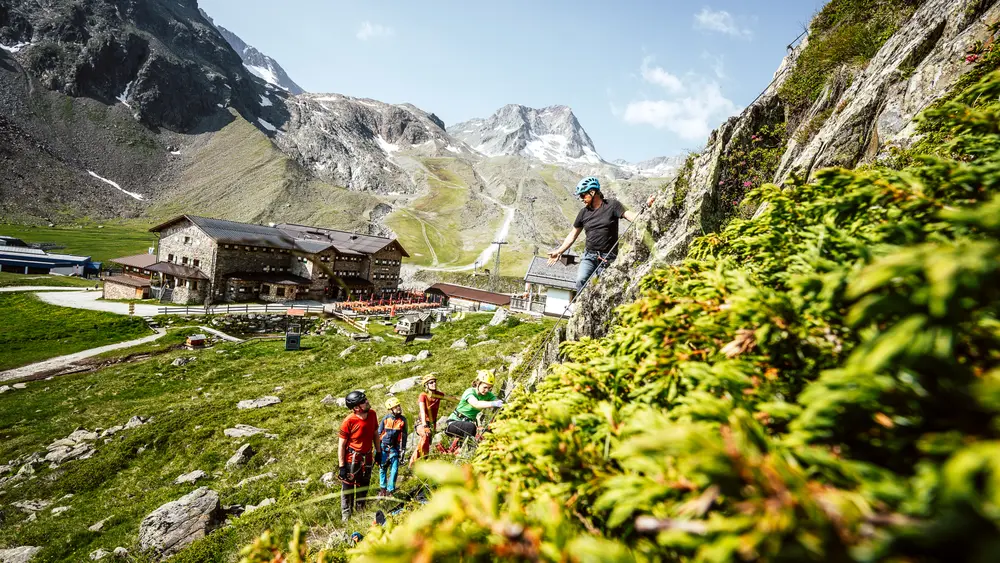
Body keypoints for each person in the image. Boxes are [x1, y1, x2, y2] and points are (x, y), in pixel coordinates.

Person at [548, 176, 655, 292]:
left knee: (603, 289)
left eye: (583, 195)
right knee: (580, 280)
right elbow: (572, 235)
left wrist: (647, 206)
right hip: (589, 256)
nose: (581, 198)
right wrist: (559, 251)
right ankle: (582, 308)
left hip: (608, 257)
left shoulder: (613, 205)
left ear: (593, 192)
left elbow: (633, 217)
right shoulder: (583, 213)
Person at [338, 390, 382, 522]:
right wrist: (342, 467)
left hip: (367, 458)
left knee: (364, 486)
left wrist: (378, 452)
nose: (367, 402)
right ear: (356, 407)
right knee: (348, 489)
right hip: (352, 459)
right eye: (363, 401)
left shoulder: (372, 414)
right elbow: (341, 445)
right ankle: (346, 517)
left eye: (366, 399)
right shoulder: (348, 421)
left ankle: (360, 513)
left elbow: (375, 434)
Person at [440, 370, 504, 454]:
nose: (487, 390)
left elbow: (497, 401)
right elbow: (476, 404)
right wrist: (493, 403)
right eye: (485, 387)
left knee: (486, 433)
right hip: (453, 423)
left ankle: (465, 450)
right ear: (478, 383)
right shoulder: (469, 392)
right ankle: (468, 452)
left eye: (489, 388)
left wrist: (502, 404)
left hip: (468, 425)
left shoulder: (488, 395)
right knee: (471, 427)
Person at [408, 373, 458, 468]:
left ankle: (422, 461)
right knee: (425, 437)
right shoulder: (423, 395)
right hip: (422, 422)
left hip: (433, 423)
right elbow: (422, 411)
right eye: (431, 383)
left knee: (427, 443)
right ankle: (413, 463)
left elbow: (451, 399)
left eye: (434, 382)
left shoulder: (438, 395)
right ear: (426, 385)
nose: (434, 384)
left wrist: (465, 401)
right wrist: (424, 425)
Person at [377, 396, 408, 497]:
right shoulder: (386, 419)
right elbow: (378, 433)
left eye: (398, 406)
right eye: (396, 407)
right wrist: (376, 449)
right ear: (391, 409)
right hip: (383, 446)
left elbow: (404, 435)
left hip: (394, 447)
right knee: (383, 468)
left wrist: (403, 449)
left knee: (394, 469)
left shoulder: (403, 420)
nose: (398, 408)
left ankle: (390, 490)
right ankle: (382, 489)